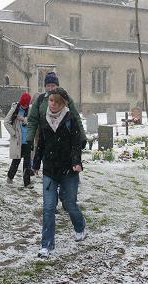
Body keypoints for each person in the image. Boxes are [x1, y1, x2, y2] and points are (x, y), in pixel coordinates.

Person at [32, 88, 86, 258]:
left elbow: (76, 143)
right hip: (50, 170)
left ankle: (80, 227)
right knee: (48, 207)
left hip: (69, 170)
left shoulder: (70, 119)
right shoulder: (44, 119)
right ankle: (46, 245)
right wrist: (36, 162)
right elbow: (41, 143)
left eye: (56, 101)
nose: (53, 104)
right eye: (50, 101)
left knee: (69, 204)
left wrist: (76, 162)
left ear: (63, 103)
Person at [27, 71, 86, 150]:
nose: (50, 88)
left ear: (57, 86)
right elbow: (32, 120)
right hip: (44, 140)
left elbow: (76, 118)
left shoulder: (65, 98)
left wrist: (82, 136)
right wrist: (29, 138)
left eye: (53, 85)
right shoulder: (40, 100)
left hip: (64, 139)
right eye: (48, 85)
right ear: (45, 86)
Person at [4, 92, 33, 188]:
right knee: (16, 161)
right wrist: (13, 133)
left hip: (27, 140)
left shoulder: (30, 109)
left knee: (27, 162)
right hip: (18, 141)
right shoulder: (15, 109)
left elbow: (32, 121)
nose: (25, 106)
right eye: (23, 104)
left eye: (26, 104)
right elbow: (6, 122)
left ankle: (27, 183)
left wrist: (24, 119)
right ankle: (10, 177)